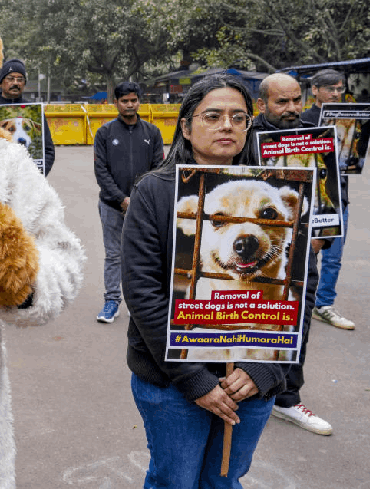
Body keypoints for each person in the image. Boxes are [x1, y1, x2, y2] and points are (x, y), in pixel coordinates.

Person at [122, 74, 285, 487]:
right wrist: (193, 378)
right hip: (172, 383)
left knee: (224, 481)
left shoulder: (278, 193)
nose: (226, 125)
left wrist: (265, 371)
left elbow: (301, 288)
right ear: (186, 125)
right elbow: (144, 293)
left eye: (238, 117)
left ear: (249, 126)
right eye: (213, 116)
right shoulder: (155, 192)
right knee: (174, 481)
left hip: (250, 378)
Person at [252, 73, 332, 435]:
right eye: (281, 102)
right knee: (251, 321)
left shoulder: (317, 135)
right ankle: (249, 389)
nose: (292, 109)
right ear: (262, 104)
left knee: (297, 322)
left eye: (296, 100)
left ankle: (286, 398)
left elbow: (332, 187)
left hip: (303, 253)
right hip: (257, 257)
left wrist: (324, 234)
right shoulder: (244, 137)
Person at [93, 81, 164, 323]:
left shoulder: (152, 133)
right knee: (113, 255)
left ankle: (138, 304)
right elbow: (101, 171)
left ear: (139, 102)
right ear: (116, 103)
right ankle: (111, 302)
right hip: (111, 205)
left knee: (141, 256)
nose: (130, 105)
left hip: (143, 208)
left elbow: (157, 170)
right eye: (125, 101)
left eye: (134, 100)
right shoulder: (104, 133)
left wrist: (139, 199)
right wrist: (121, 199)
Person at [301, 69, 354, 330]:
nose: (336, 93)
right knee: (303, 252)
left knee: (333, 257)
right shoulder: (303, 119)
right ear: (315, 90)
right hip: (309, 199)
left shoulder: (348, 119)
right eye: (330, 89)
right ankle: (297, 303)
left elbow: (354, 158)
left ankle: (324, 305)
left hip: (338, 197)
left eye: (339, 88)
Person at [0, 58, 55, 175]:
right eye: (10, 78)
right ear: (1, 82)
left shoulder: (34, 110)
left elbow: (48, 150)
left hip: (29, 179)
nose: (15, 83)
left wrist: (38, 175)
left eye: (20, 79)